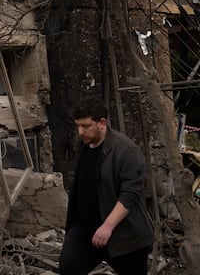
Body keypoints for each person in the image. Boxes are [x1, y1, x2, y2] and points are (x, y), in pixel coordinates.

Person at [58, 97, 154, 275]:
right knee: (68, 269)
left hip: (124, 236)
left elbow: (130, 194)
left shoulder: (126, 151)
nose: (80, 131)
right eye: (77, 126)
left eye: (86, 126)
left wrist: (108, 226)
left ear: (102, 122)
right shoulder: (83, 146)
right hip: (85, 232)